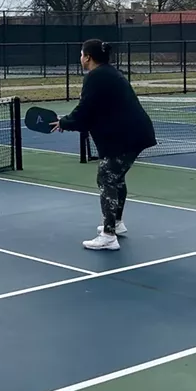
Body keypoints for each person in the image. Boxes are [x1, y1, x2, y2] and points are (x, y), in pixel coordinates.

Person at [53, 39, 156, 250]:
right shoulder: (108, 73)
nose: (80, 58)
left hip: (126, 137)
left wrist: (65, 122)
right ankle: (116, 224)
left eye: (81, 54)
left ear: (88, 57)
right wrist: (69, 121)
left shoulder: (96, 76)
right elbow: (91, 110)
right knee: (115, 178)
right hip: (132, 134)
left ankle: (109, 235)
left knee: (106, 177)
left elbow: (85, 110)